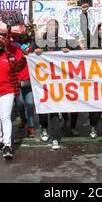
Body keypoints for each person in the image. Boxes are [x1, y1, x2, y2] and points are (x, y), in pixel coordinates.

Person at [33, 19, 76, 149]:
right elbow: (28, 54)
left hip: (60, 80)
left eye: (54, 25)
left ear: (58, 27)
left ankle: (56, 134)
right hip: (43, 80)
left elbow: (78, 53)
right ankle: (46, 129)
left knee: (56, 107)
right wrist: (35, 51)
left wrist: (68, 50)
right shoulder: (39, 41)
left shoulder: (63, 40)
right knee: (45, 106)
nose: (52, 27)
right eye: (50, 25)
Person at [13, 31, 36, 138]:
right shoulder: (15, 49)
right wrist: (8, 32)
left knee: (30, 104)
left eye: (25, 35)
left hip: (29, 81)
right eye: (20, 36)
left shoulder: (32, 49)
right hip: (18, 82)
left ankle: (31, 125)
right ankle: (23, 119)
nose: (23, 37)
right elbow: (7, 42)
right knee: (21, 104)